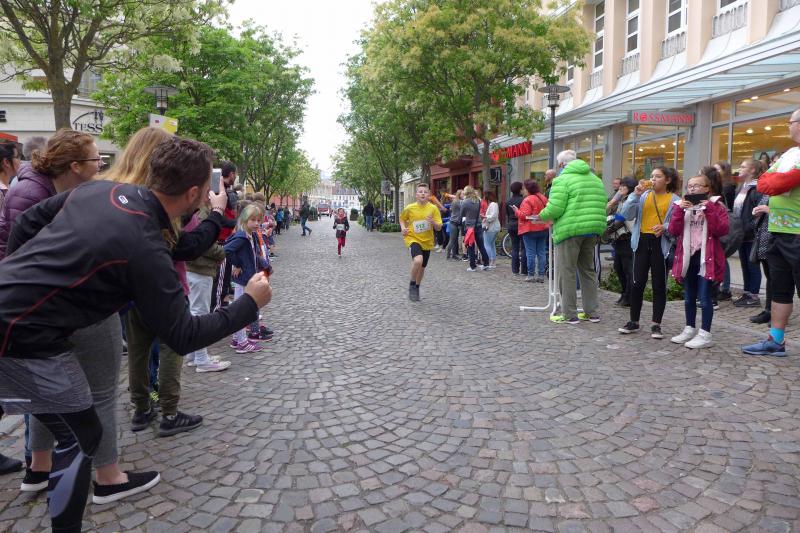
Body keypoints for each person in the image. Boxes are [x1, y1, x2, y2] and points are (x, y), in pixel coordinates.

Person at [0, 136, 272, 532]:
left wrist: (20, 277)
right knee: (79, 437)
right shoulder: (145, 244)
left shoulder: (100, 190)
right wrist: (248, 303)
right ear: (193, 193)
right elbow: (183, 335)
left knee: (80, 430)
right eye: (205, 190)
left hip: (19, 321)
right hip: (22, 335)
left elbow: (26, 224)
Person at [742, 108, 800, 356]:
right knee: (780, 290)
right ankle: (776, 341)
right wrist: (778, 179)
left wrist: (778, 179)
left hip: (797, 234)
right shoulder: (790, 154)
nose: (788, 126)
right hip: (778, 230)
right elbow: (765, 182)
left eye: (790, 122)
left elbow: (778, 183)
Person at [537, 151, 606, 324]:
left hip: (570, 229)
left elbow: (555, 208)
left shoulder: (562, 180)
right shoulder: (595, 179)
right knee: (587, 270)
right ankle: (592, 312)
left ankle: (569, 314)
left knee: (566, 271)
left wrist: (541, 215)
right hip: (593, 228)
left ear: (561, 165)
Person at [618, 166, 681, 338]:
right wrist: (634, 195)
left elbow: (677, 224)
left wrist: (665, 227)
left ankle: (656, 324)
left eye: (658, 176)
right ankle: (634, 321)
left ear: (668, 180)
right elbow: (626, 214)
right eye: (652, 176)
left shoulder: (675, 200)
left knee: (659, 285)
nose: (653, 179)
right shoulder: (644, 195)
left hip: (660, 243)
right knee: (637, 283)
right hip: (641, 241)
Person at [668, 175, 729, 349]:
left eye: (697, 185)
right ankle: (689, 328)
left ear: (707, 188)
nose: (692, 188)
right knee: (688, 297)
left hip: (707, 257)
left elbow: (721, 230)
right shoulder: (681, 206)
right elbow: (673, 230)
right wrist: (680, 211)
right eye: (690, 186)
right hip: (688, 256)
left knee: (704, 297)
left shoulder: (717, 206)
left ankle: (705, 334)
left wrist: (708, 209)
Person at [185, 209, 231, 372]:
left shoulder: (197, 211)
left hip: (195, 268)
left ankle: (193, 354)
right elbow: (203, 242)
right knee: (201, 314)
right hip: (199, 269)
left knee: (195, 312)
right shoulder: (201, 212)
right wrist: (222, 252)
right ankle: (201, 359)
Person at [225, 203, 269, 352]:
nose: (257, 223)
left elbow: (254, 255)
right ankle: (242, 342)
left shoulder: (251, 235)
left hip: (249, 278)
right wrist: (237, 264)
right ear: (245, 220)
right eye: (253, 220)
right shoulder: (242, 236)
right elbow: (227, 250)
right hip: (244, 280)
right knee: (242, 311)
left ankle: (237, 338)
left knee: (242, 309)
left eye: (258, 220)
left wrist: (265, 266)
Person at [399, 182, 443, 301]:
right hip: (413, 238)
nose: (423, 194)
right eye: (420, 192)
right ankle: (412, 284)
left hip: (427, 241)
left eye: (425, 192)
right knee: (418, 260)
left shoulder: (433, 208)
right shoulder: (410, 208)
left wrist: (433, 222)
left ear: (429, 194)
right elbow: (402, 219)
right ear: (416, 194)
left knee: (422, 268)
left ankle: (417, 287)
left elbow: (439, 227)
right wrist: (403, 228)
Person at [732, 159, 764, 308]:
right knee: (744, 264)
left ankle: (754, 296)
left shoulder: (757, 188)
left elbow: (759, 212)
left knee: (752, 265)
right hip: (741, 234)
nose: (740, 168)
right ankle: (747, 292)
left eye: (743, 166)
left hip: (751, 234)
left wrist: (749, 227)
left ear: (752, 170)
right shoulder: (742, 187)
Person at [606, 176, 638, 306]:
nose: (620, 188)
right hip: (619, 238)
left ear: (630, 188)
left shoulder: (631, 200)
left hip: (627, 237)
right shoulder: (620, 200)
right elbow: (609, 212)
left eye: (623, 186)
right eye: (620, 185)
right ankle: (624, 293)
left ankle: (629, 297)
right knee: (618, 267)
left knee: (627, 269)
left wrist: (608, 230)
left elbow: (623, 217)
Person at [511, 179, 549, 282]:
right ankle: (541, 275)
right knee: (541, 252)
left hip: (530, 229)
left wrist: (516, 211)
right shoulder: (543, 197)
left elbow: (524, 216)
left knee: (531, 253)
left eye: (524, 188)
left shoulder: (528, 200)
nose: (523, 190)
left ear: (528, 189)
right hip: (543, 228)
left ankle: (531, 275)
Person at [461, 186, 490, 272]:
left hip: (470, 226)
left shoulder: (465, 202)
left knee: (470, 246)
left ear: (466, 192)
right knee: (481, 245)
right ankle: (486, 264)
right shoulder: (478, 200)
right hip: (478, 224)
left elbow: (462, 214)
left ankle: (472, 266)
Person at [505, 183, 527, 276]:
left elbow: (507, 214)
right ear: (520, 189)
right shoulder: (523, 200)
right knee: (524, 247)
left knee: (515, 247)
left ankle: (515, 270)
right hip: (521, 224)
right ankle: (524, 270)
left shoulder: (508, 201)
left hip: (511, 225)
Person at [482, 191, 500, 269]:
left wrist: (485, 217)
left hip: (491, 227)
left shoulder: (493, 204)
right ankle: (492, 261)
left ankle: (488, 261)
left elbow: (493, 216)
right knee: (491, 244)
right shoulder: (494, 204)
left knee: (487, 244)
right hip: (494, 227)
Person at [0, 140, 20, 213]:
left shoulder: (6, 187)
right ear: (6, 162)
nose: (20, 161)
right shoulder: (1, 192)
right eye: (17, 157)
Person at [446, 190, 464, 260]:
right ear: (459, 194)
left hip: (455, 222)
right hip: (454, 223)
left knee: (454, 240)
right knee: (452, 240)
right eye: (462, 194)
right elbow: (463, 208)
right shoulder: (457, 202)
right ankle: (448, 256)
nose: (464, 195)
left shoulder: (457, 201)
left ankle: (453, 255)